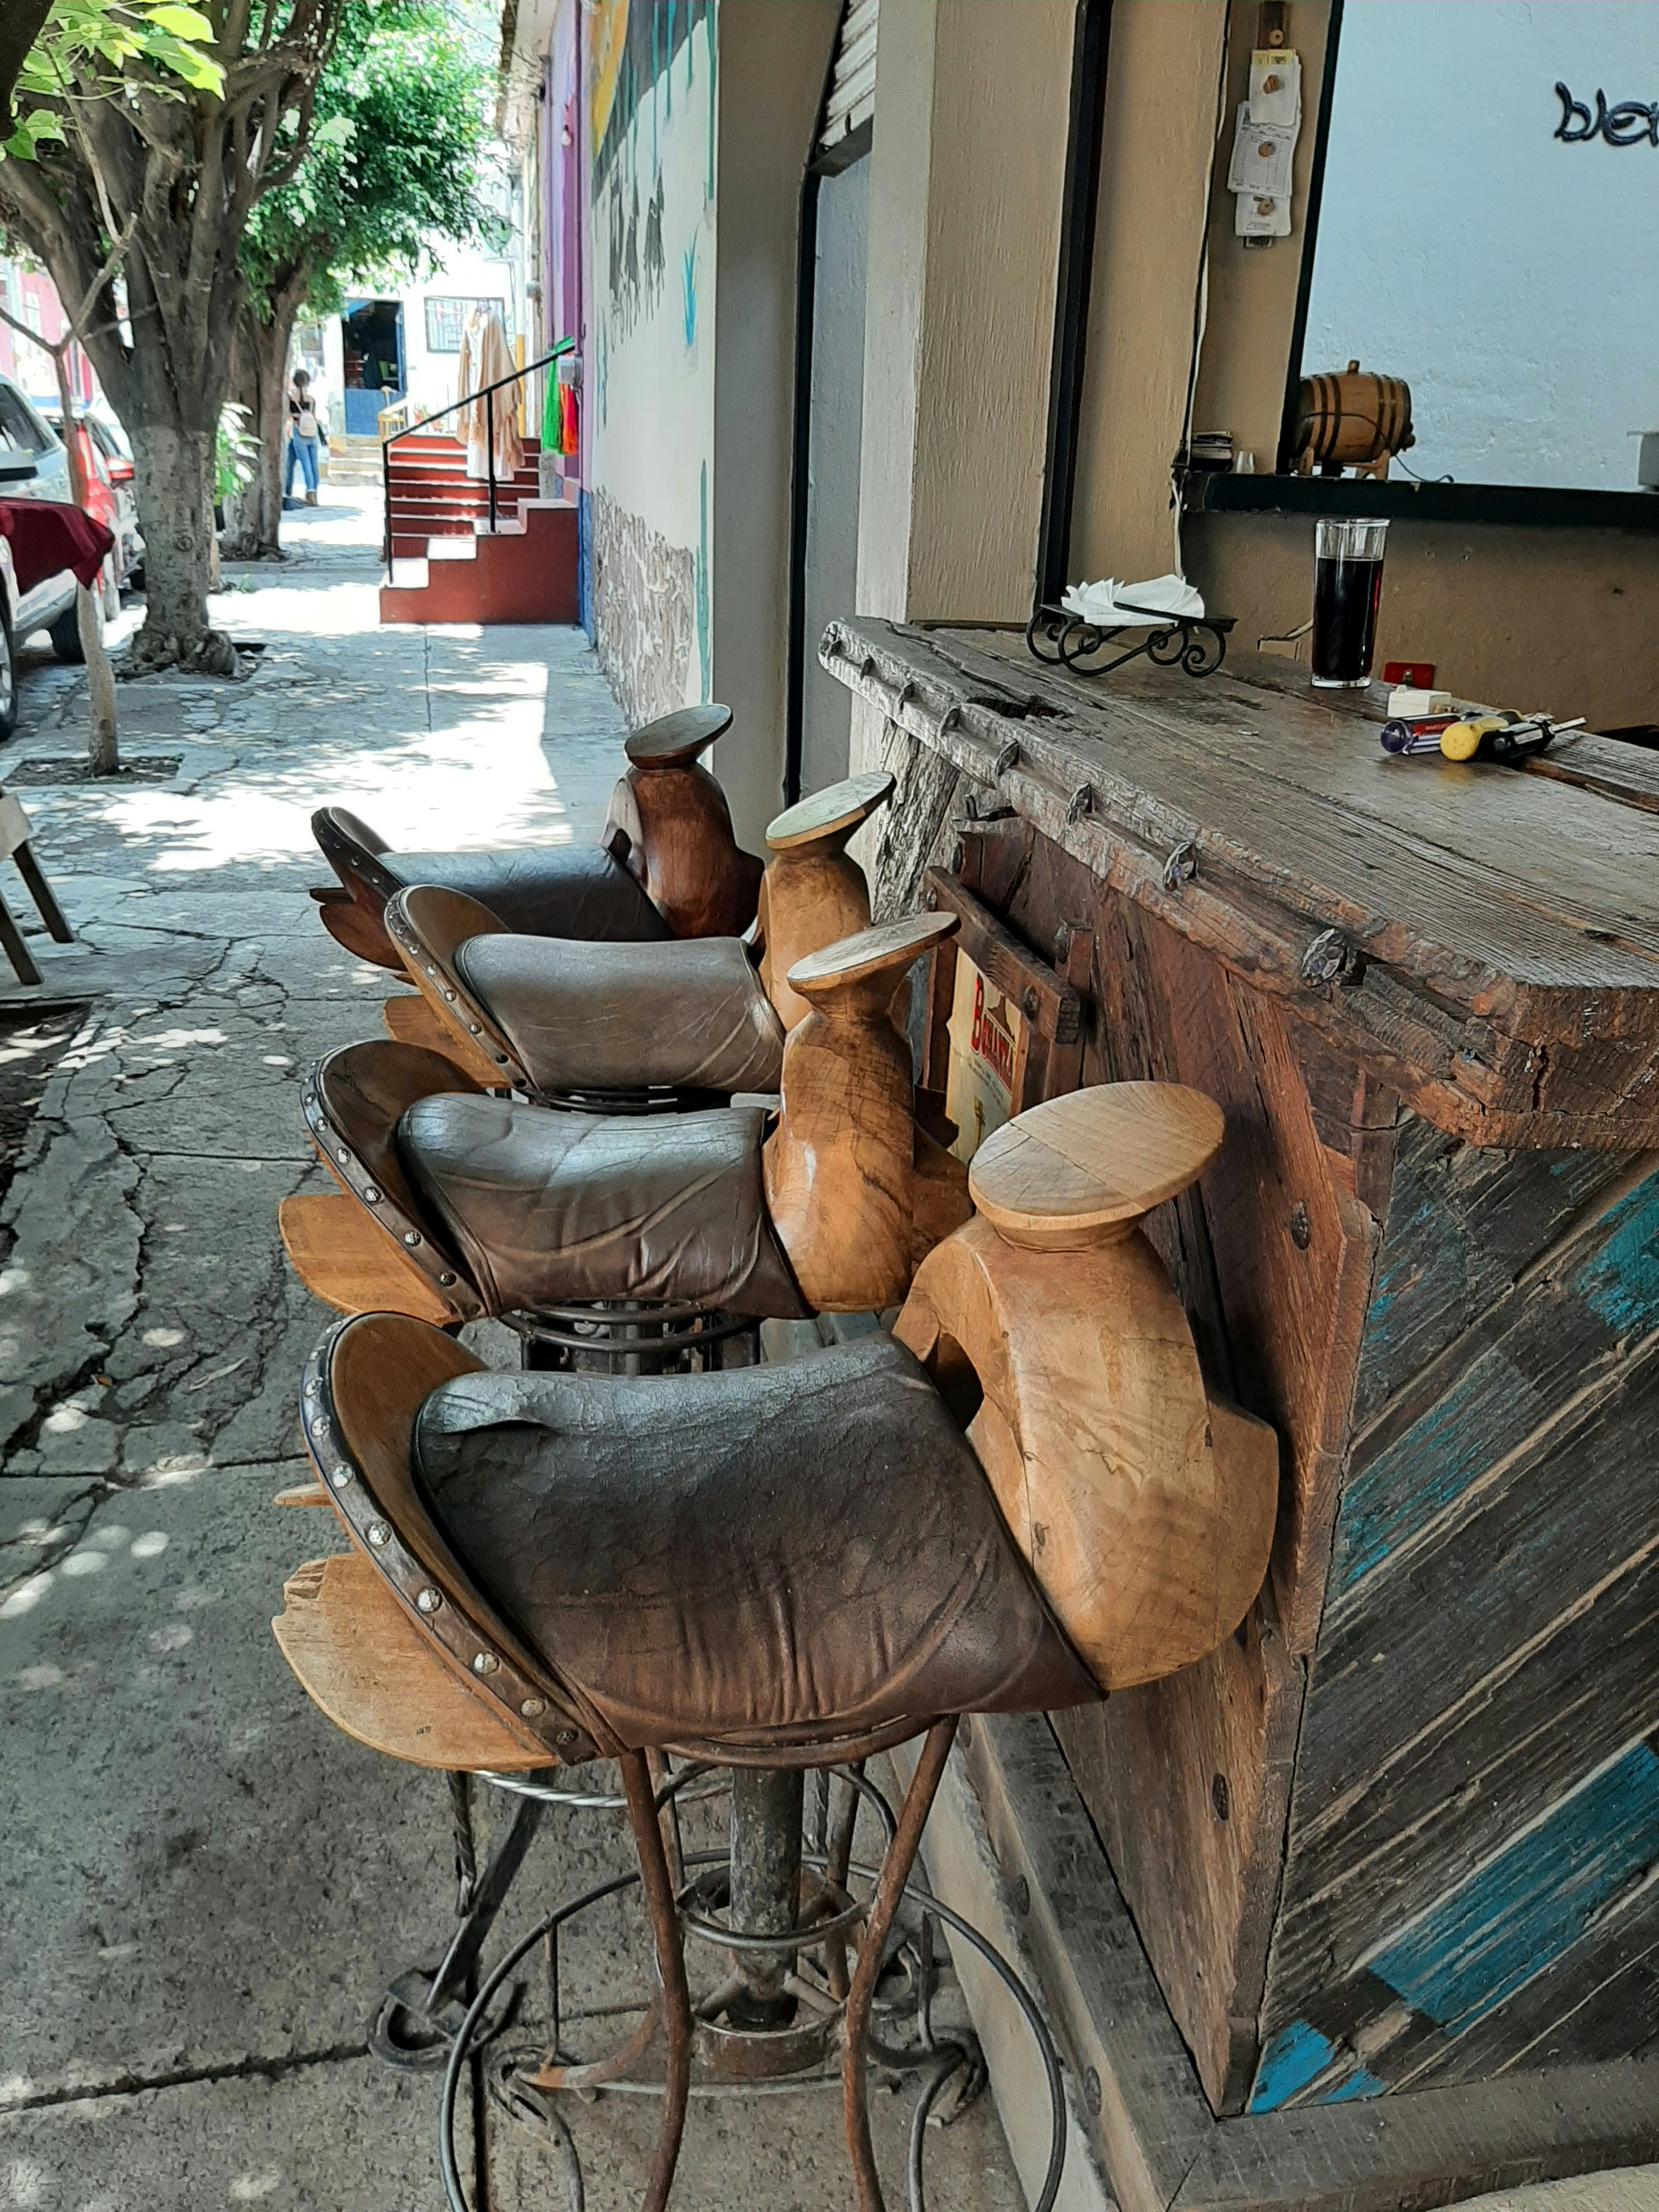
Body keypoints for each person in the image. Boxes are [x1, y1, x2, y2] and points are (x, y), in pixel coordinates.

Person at [285, 369, 322, 506]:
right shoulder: (311, 400)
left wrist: (296, 416)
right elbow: (313, 416)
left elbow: (288, 416)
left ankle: (308, 493)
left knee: (305, 465)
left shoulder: (292, 400)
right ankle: (314, 494)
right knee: (313, 465)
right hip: (312, 434)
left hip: (299, 434)